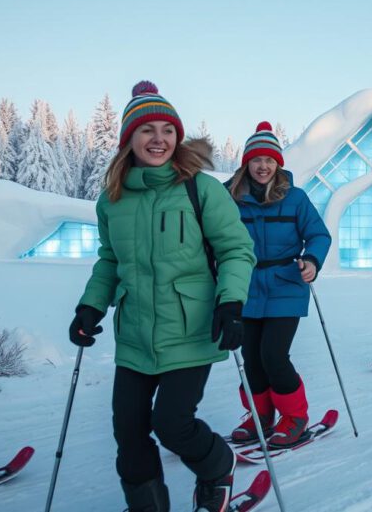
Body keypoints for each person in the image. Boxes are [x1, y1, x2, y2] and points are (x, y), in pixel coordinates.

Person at [69, 82, 256, 512]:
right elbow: (110, 261)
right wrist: (90, 305)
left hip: (191, 329)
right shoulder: (112, 199)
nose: (159, 139)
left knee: (172, 424)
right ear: (128, 140)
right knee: (129, 433)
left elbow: (236, 249)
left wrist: (231, 302)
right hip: (135, 333)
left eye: (167, 130)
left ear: (178, 136)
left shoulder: (201, 189)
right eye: (147, 130)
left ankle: (217, 467)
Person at [226, 122, 331, 448]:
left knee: (273, 354)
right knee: (251, 357)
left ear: (278, 164)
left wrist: (311, 260)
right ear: (247, 163)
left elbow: (318, 234)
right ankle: (260, 417)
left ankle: (295, 416)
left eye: (269, 160)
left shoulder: (295, 198)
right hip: (246, 285)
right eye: (256, 160)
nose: (262, 166)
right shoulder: (230, 198)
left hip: (286, 282)